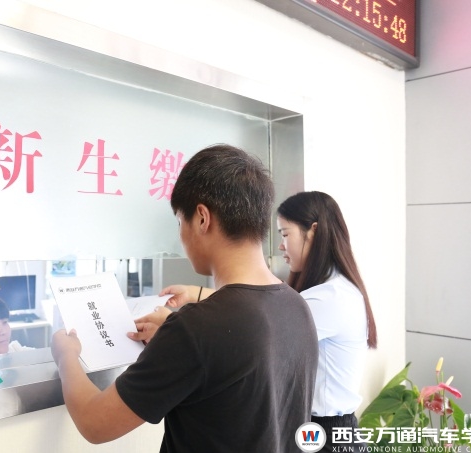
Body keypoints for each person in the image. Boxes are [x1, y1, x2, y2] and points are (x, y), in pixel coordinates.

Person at [51, 144, 318, 452]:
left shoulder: (197, 328)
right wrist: (171, 341)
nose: (180, 236)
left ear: (202, 218)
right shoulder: (297, 306)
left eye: (180, 221)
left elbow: (95, 422)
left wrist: (66, 355)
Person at [162, 190, 377, 452]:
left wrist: (175, 326)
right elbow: (260, 310)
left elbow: (260, 322)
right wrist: (195, 295)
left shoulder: (331, 298)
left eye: (285, 234)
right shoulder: (328, 290)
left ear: (313, 232)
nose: (281, 246)